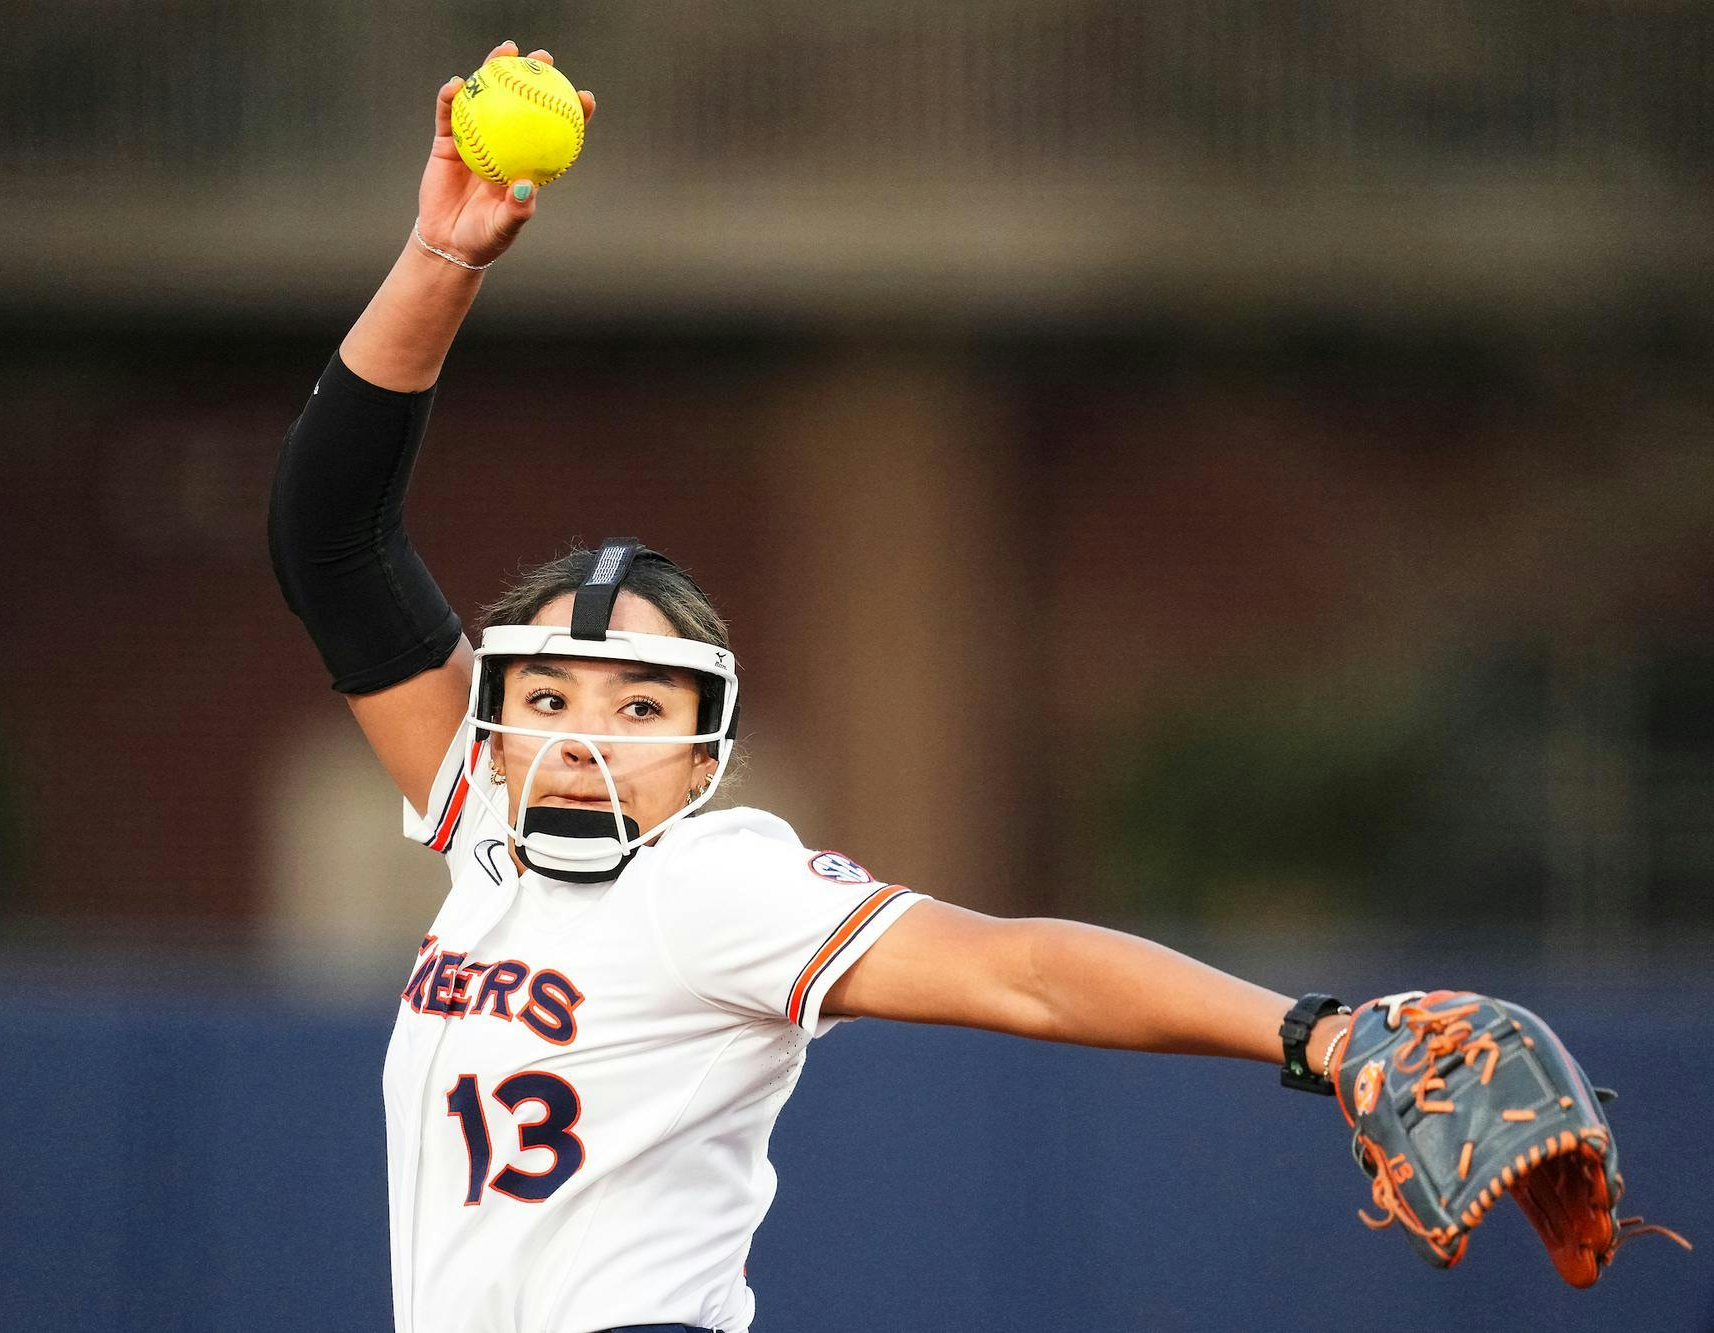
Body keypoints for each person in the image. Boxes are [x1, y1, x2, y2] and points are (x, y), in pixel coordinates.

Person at [268, 41, 1358, 1333]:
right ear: (495, 736)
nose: (584, 739)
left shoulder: (709, 880)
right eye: (548, 700)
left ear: (704, 758)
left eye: (639, 707)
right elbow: (328, 536)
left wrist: (1315, 1033)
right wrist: (440, 258)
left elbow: (1023, 970)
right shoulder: (487, 827)